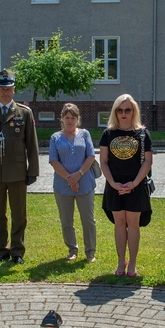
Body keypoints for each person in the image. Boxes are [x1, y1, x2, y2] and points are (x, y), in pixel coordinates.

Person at [0, 69, 39, 264]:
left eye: (9, 89)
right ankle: (1, 249)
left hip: (18, 172)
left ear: (14, 89)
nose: (5, 92)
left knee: (19, 214)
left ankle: (17, 251)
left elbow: (31, 144)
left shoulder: (24, 113)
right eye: (2, 89)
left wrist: (33, 171)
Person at [100, 94, 152, 277]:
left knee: (133, 224)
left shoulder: (143, 134)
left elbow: (147, 162)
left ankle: (133, 264)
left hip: (135, 184)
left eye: (127, 110)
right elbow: (104, 162)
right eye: (120, 110)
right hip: (115, 185)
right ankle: (121, 262)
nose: (124, 113)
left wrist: (134, 183)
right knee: (119, 223)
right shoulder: (108, 134)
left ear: (133, 111)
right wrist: (113, 183)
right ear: (115, 111)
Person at [48, 103, 97, 262]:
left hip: (86, 184)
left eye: (73, 118)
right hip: (63, 186)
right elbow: (54, 161)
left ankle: (90, 252)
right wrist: (70, 179)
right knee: (66, 220)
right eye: (67, 117)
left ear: (78, 119)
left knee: (88, 220)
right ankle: (72, 250)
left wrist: (79, 175)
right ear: (62, 119)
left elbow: (91, 157)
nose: (70, 121)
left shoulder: (85, 134)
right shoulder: (55, 137)